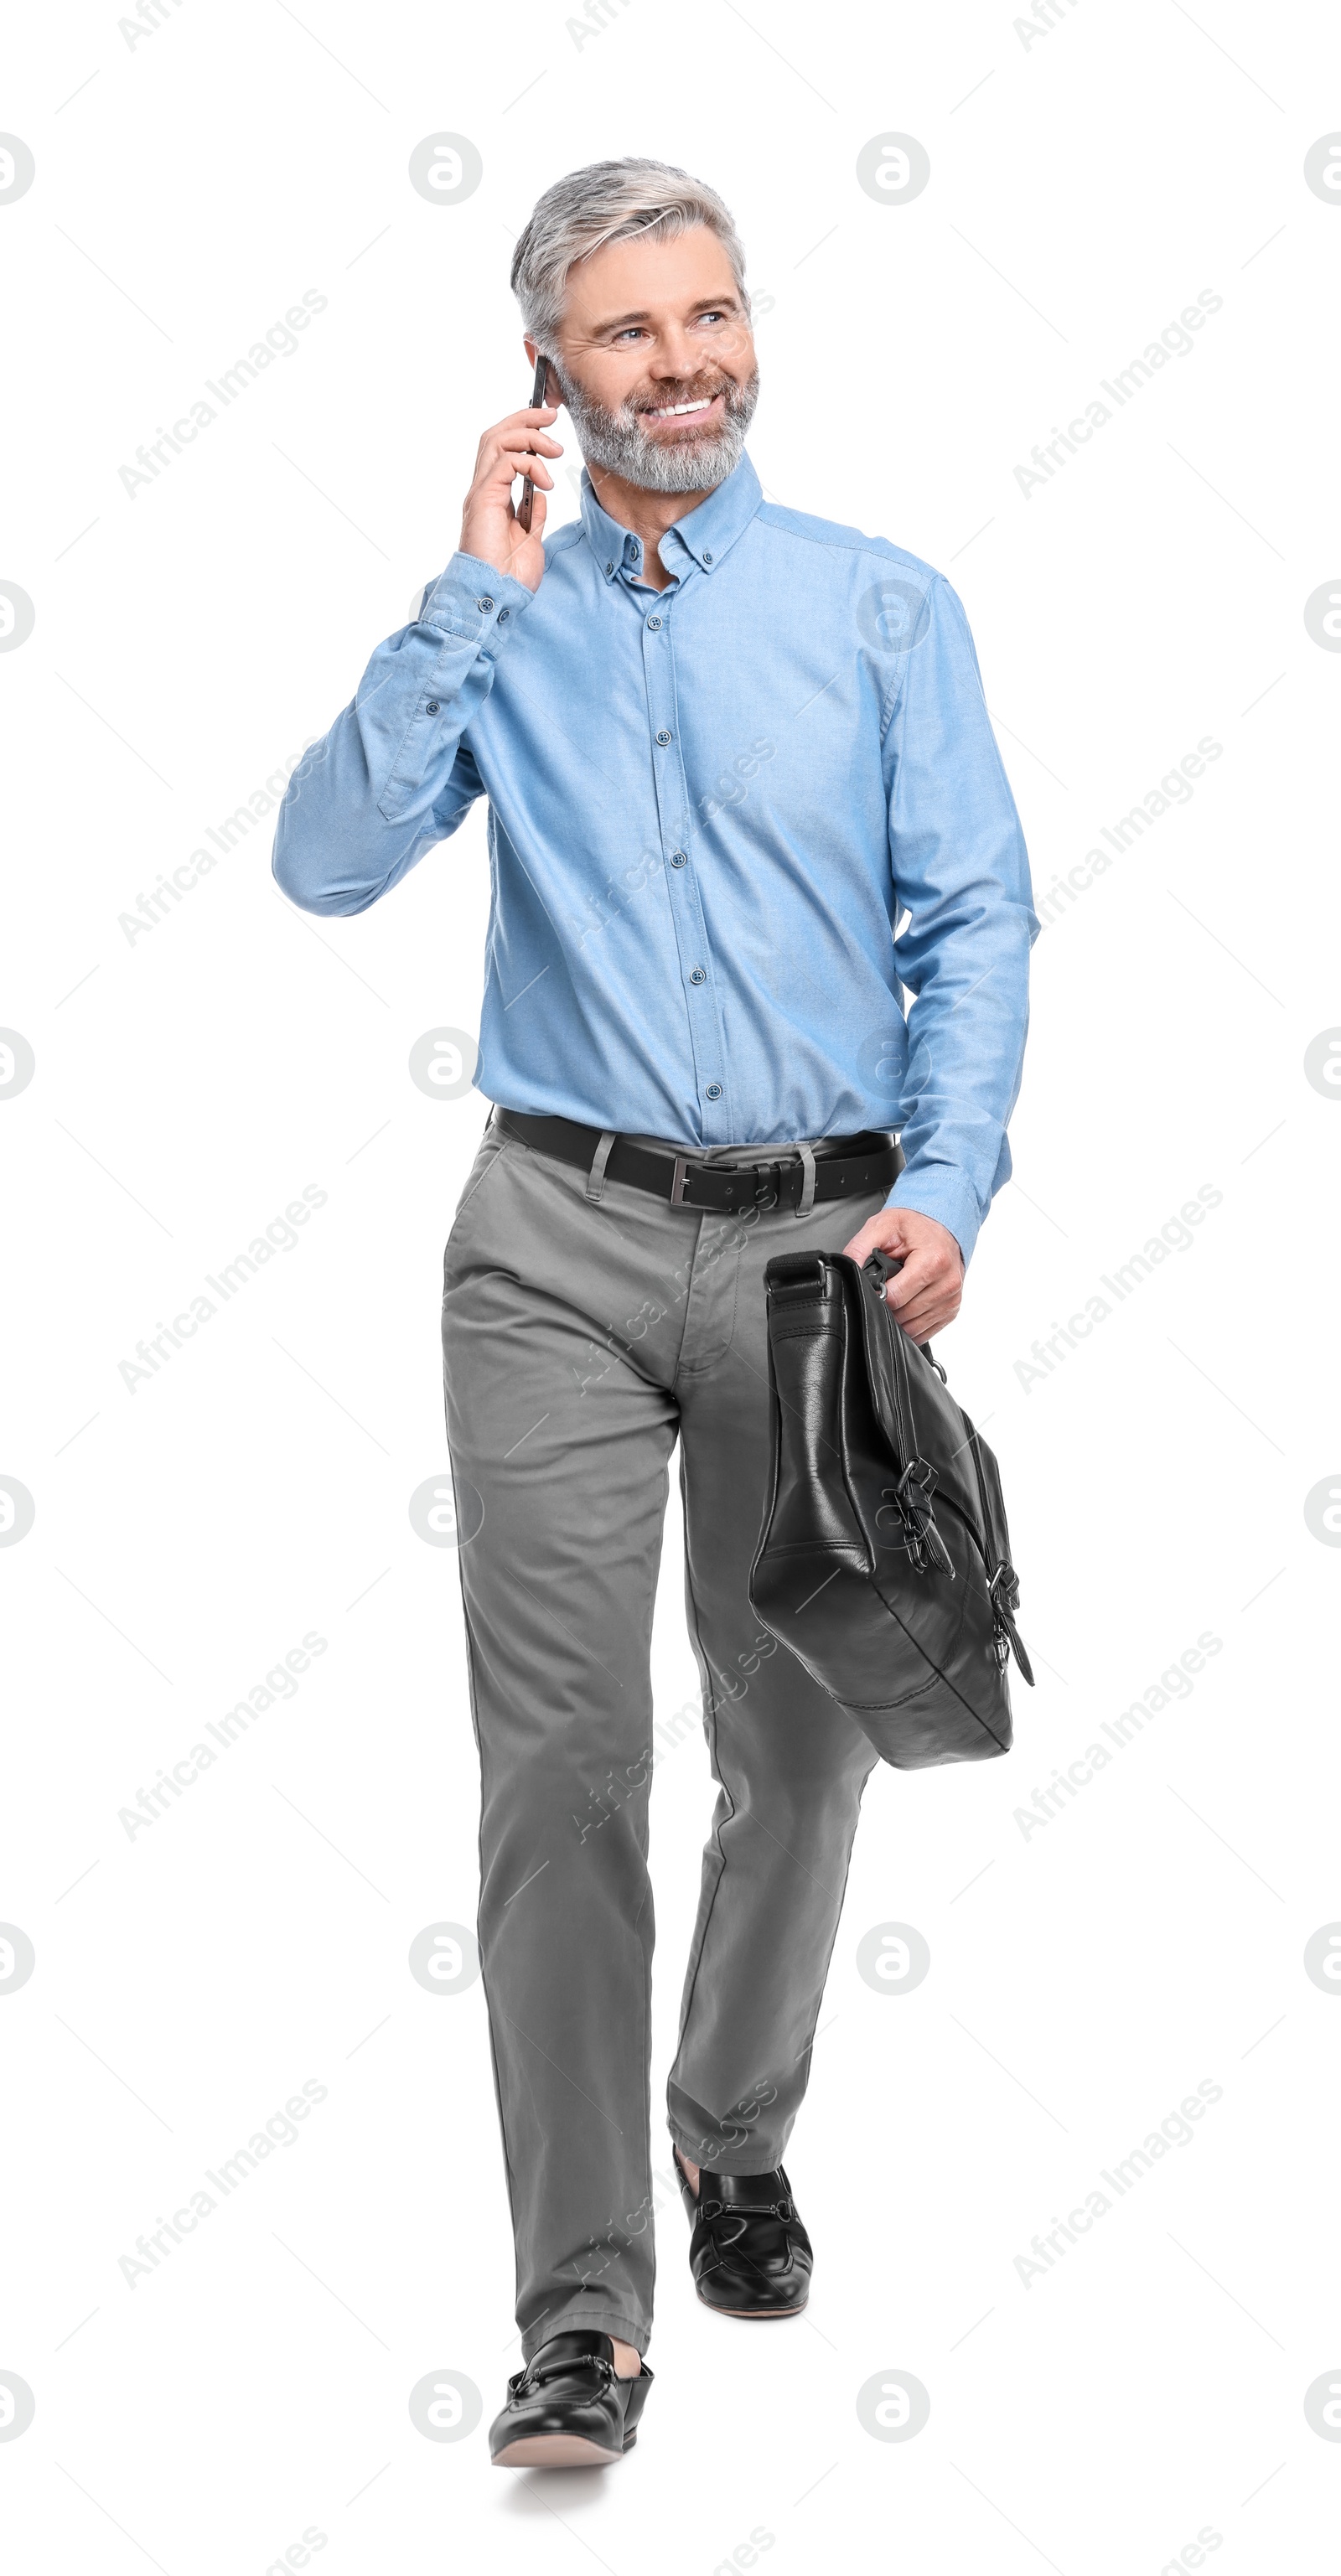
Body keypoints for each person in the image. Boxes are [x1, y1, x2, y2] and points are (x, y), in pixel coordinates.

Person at [272, 157, 1036, 2471]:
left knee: (807, 1750)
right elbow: (322, 860)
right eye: (631, 333)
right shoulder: (497, 623)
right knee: (566, 1776)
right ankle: (583, 2307)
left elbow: (976, 917)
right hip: (555, 1252)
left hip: (824, 1264)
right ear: (547, 370)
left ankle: (731, 2119)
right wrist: (461, 598)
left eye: (712, 315)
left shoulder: (884, 610)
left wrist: (950, 1173)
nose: (688, 361)